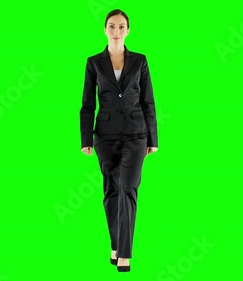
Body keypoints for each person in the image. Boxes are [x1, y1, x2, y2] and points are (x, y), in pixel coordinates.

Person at [79, 9, 159, 272]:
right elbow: (87, 104)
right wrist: (85, 139)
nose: (116, 31)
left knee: (128, 189)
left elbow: (148, 101)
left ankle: (124, 253)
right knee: (111, 192)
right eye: (111, 26)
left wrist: (153, 138)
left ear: (128, 30)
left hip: (136, 134)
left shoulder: (140, 61)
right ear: (105, 29)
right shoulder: (93, 62)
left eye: (121, 26)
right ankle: (115, 245)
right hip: (105, 136)